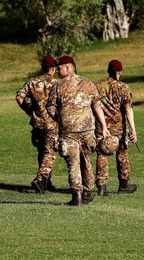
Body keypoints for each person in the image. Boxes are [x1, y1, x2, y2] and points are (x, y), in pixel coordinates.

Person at [46, 55, 109, 207]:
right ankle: (88, 192)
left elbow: (50, 108)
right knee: (86, 161)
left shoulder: (58, 86)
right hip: (87, 130)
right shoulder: (88, 83)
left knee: (73, 163)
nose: (57, 71)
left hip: (69, 132)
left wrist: (62, 119)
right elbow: (97, 106)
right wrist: (104, 127)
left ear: (68, 68)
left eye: (59, 68)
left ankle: (77, 196)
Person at [15, 55, 60, 194]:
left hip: (37, 123)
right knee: (50, 153)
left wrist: (29, 112)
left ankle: (47, 181)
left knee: (41, 152)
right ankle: (41, 178)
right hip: (52, 124)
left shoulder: (32, 82)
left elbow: (19, 97)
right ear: (52, 69)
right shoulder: (57, 84)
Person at [94, 59, 138, 195]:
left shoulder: (98, 86)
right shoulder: (123, 88)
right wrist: (134, 130)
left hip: (102, 128)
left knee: (102, 155)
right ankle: (123, 185)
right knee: (122, 155)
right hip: (119, 128)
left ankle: (102, 187)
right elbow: (128, 109)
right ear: (119, 72)